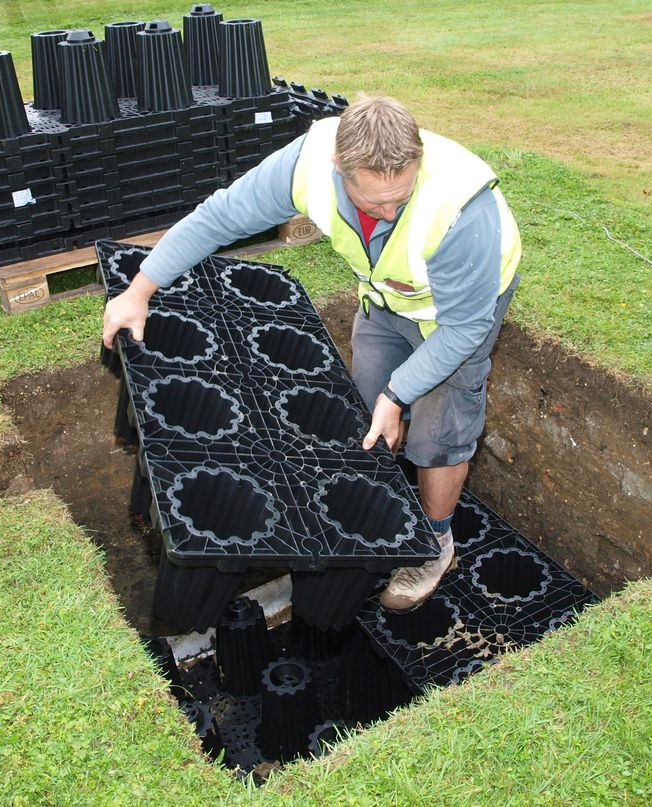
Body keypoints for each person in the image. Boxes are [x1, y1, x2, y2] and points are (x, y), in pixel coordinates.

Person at [103, 96, 521, 612]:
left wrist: (400, 392)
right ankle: (376, 520)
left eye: (401, 198)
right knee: (364, 407)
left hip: (456, 316)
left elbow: (465, 328)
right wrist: (139, 290)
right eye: (374, 203)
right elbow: (220, 218)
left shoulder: (461, 210)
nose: (389, 212)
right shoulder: (305, 164)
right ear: (339, 169)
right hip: (387, 295)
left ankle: (435, 544)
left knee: (440, 434)